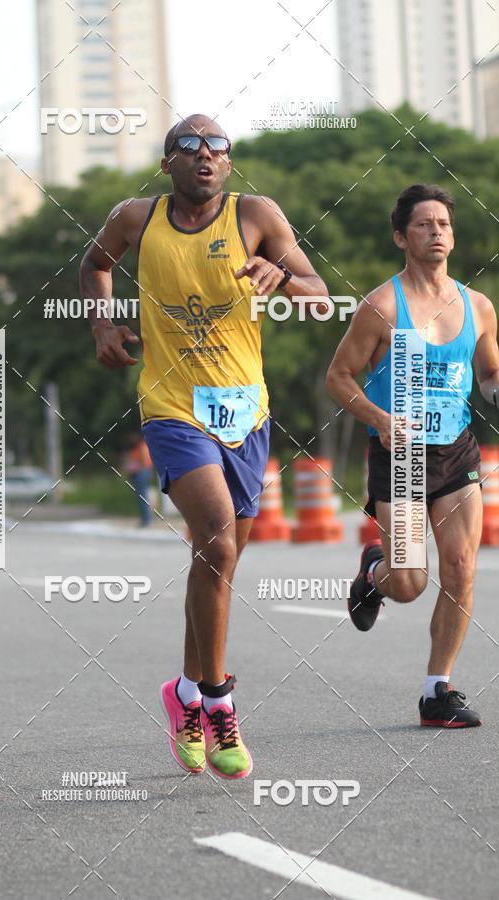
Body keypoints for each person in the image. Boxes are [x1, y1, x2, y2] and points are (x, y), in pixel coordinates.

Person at [80, 113, 328, 778]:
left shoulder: (257, 216)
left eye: (218, 148)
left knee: (220, 560)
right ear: (169, 165)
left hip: (246, 413)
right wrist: (102, 325)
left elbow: (320, 294)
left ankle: (184, 690)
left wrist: (286, 281)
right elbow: (94, 264)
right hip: (171, 409)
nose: (206, 158)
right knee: (216, 539)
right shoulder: (136, 217)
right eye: (190, 149)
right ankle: (218, 702)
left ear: (228, 162)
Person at [326, 183, 499, 728]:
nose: (437, 232)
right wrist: (379, 420)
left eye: (444, 224)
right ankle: (374, 573)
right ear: (402, 237)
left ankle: (436, 691)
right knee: (409, 583)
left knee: (462, 568)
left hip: (456, 451)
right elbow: (338, 377)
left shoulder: (477, 306)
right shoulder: (381, 307)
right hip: (398, 459)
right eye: (424, 224)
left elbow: (490, 374)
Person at [122, 432, 153, 527]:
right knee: (141, 497)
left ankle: (146, 520)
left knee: (142, 497)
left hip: (141, 473)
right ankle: (145, 519)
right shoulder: (136, 448)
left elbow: (144, 462)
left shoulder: (142, 446)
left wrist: (133, 465)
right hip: (139, 473)